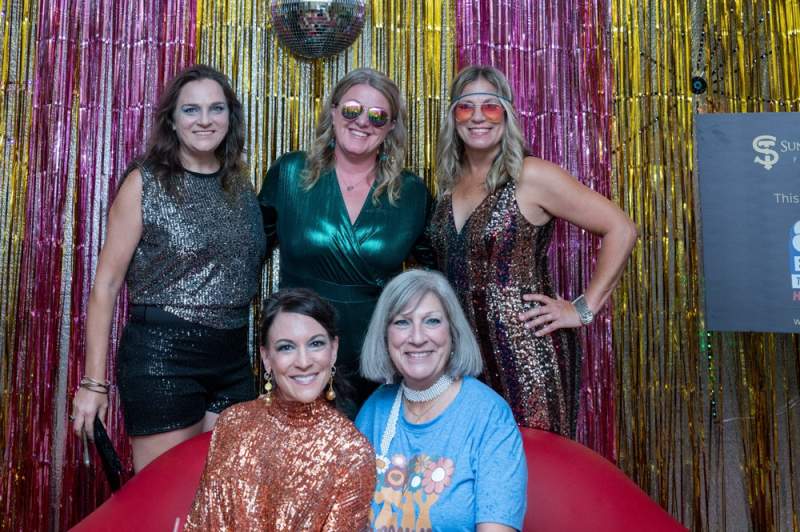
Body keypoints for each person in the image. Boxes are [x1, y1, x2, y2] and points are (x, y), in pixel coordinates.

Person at [70, 65, 266, 472]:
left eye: (216, 108)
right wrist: (93, 383)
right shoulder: (145, 183)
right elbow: (105, 285)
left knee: (221, 498)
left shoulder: (241, 187)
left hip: (232, 358)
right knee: (165, 498)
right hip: (164, 356)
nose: (205, 120)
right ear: (172, 122)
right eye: (191, 110)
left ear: (231, 117)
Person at [428, 65, 638, 437]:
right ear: (453, 118)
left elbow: (621, 228)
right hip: (465, 358)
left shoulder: (530, 175)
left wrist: (582, 309)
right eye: (466, 107)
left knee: (537, 468)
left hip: (529, 354)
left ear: (506, 114)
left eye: (490, 106)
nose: (478, 116)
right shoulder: (448, 184)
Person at [258, 67, 434, 414]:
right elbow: (248, 253)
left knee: (373, 458)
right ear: (334, 112)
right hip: (301, 352)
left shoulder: (411, 193)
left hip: (377, 357)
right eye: (352, 109)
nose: (362, 122)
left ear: (390, 128)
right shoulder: (290, 173)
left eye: (378, 116)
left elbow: (436, 277)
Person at [186, 288, 375, 530]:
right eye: (286, 347)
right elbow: (204, 524)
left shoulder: (351, 453)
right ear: (266, 357)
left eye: (316, 344)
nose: (304, 362)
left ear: (334, 350)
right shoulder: (233, 423)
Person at [356, 269, 527, 531]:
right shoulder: (374, 411)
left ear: (453, 332)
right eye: (402, 322)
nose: (417, 337)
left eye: (432, 321)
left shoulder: (489, 416)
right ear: (385, 336)